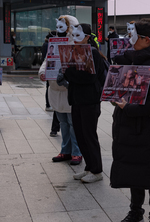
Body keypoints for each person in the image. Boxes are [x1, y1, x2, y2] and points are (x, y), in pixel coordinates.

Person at [111, 19, 150, 222]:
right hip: (126, 125)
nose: (129, 39)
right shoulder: (129, 59)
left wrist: (130, 108)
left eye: (133, 35)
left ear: (147, 39)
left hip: (148, 128)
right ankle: (135, 212)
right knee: (131, 171)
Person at [63, 23, 107, 184]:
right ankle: (89, 167)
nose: (75, 39)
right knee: (80, 135)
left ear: (88, 37)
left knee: (89, 135)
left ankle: (96, 170)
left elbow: (89, 77)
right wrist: (69, 72)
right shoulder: (74, 52)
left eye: (78, 36)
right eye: (73, 35)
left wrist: (69, 72)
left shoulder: (93, 53)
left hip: (90, 100)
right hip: (76, 99)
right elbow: (73, 74)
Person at [39, 59, 82, 165]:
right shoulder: (53, 49)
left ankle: (77, 152)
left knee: (73, 124)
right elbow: (46, 62)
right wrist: (42, 73)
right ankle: (65, 150)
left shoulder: (73, 49)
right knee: (63, 123)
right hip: (55, 92)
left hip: (69, 91)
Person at [42, 32, 61, 135]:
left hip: (67, 85)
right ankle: (54, 129)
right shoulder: (52, 45)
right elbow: (46, 60)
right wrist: (42, 72)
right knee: (57, 109)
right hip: (54, 78)